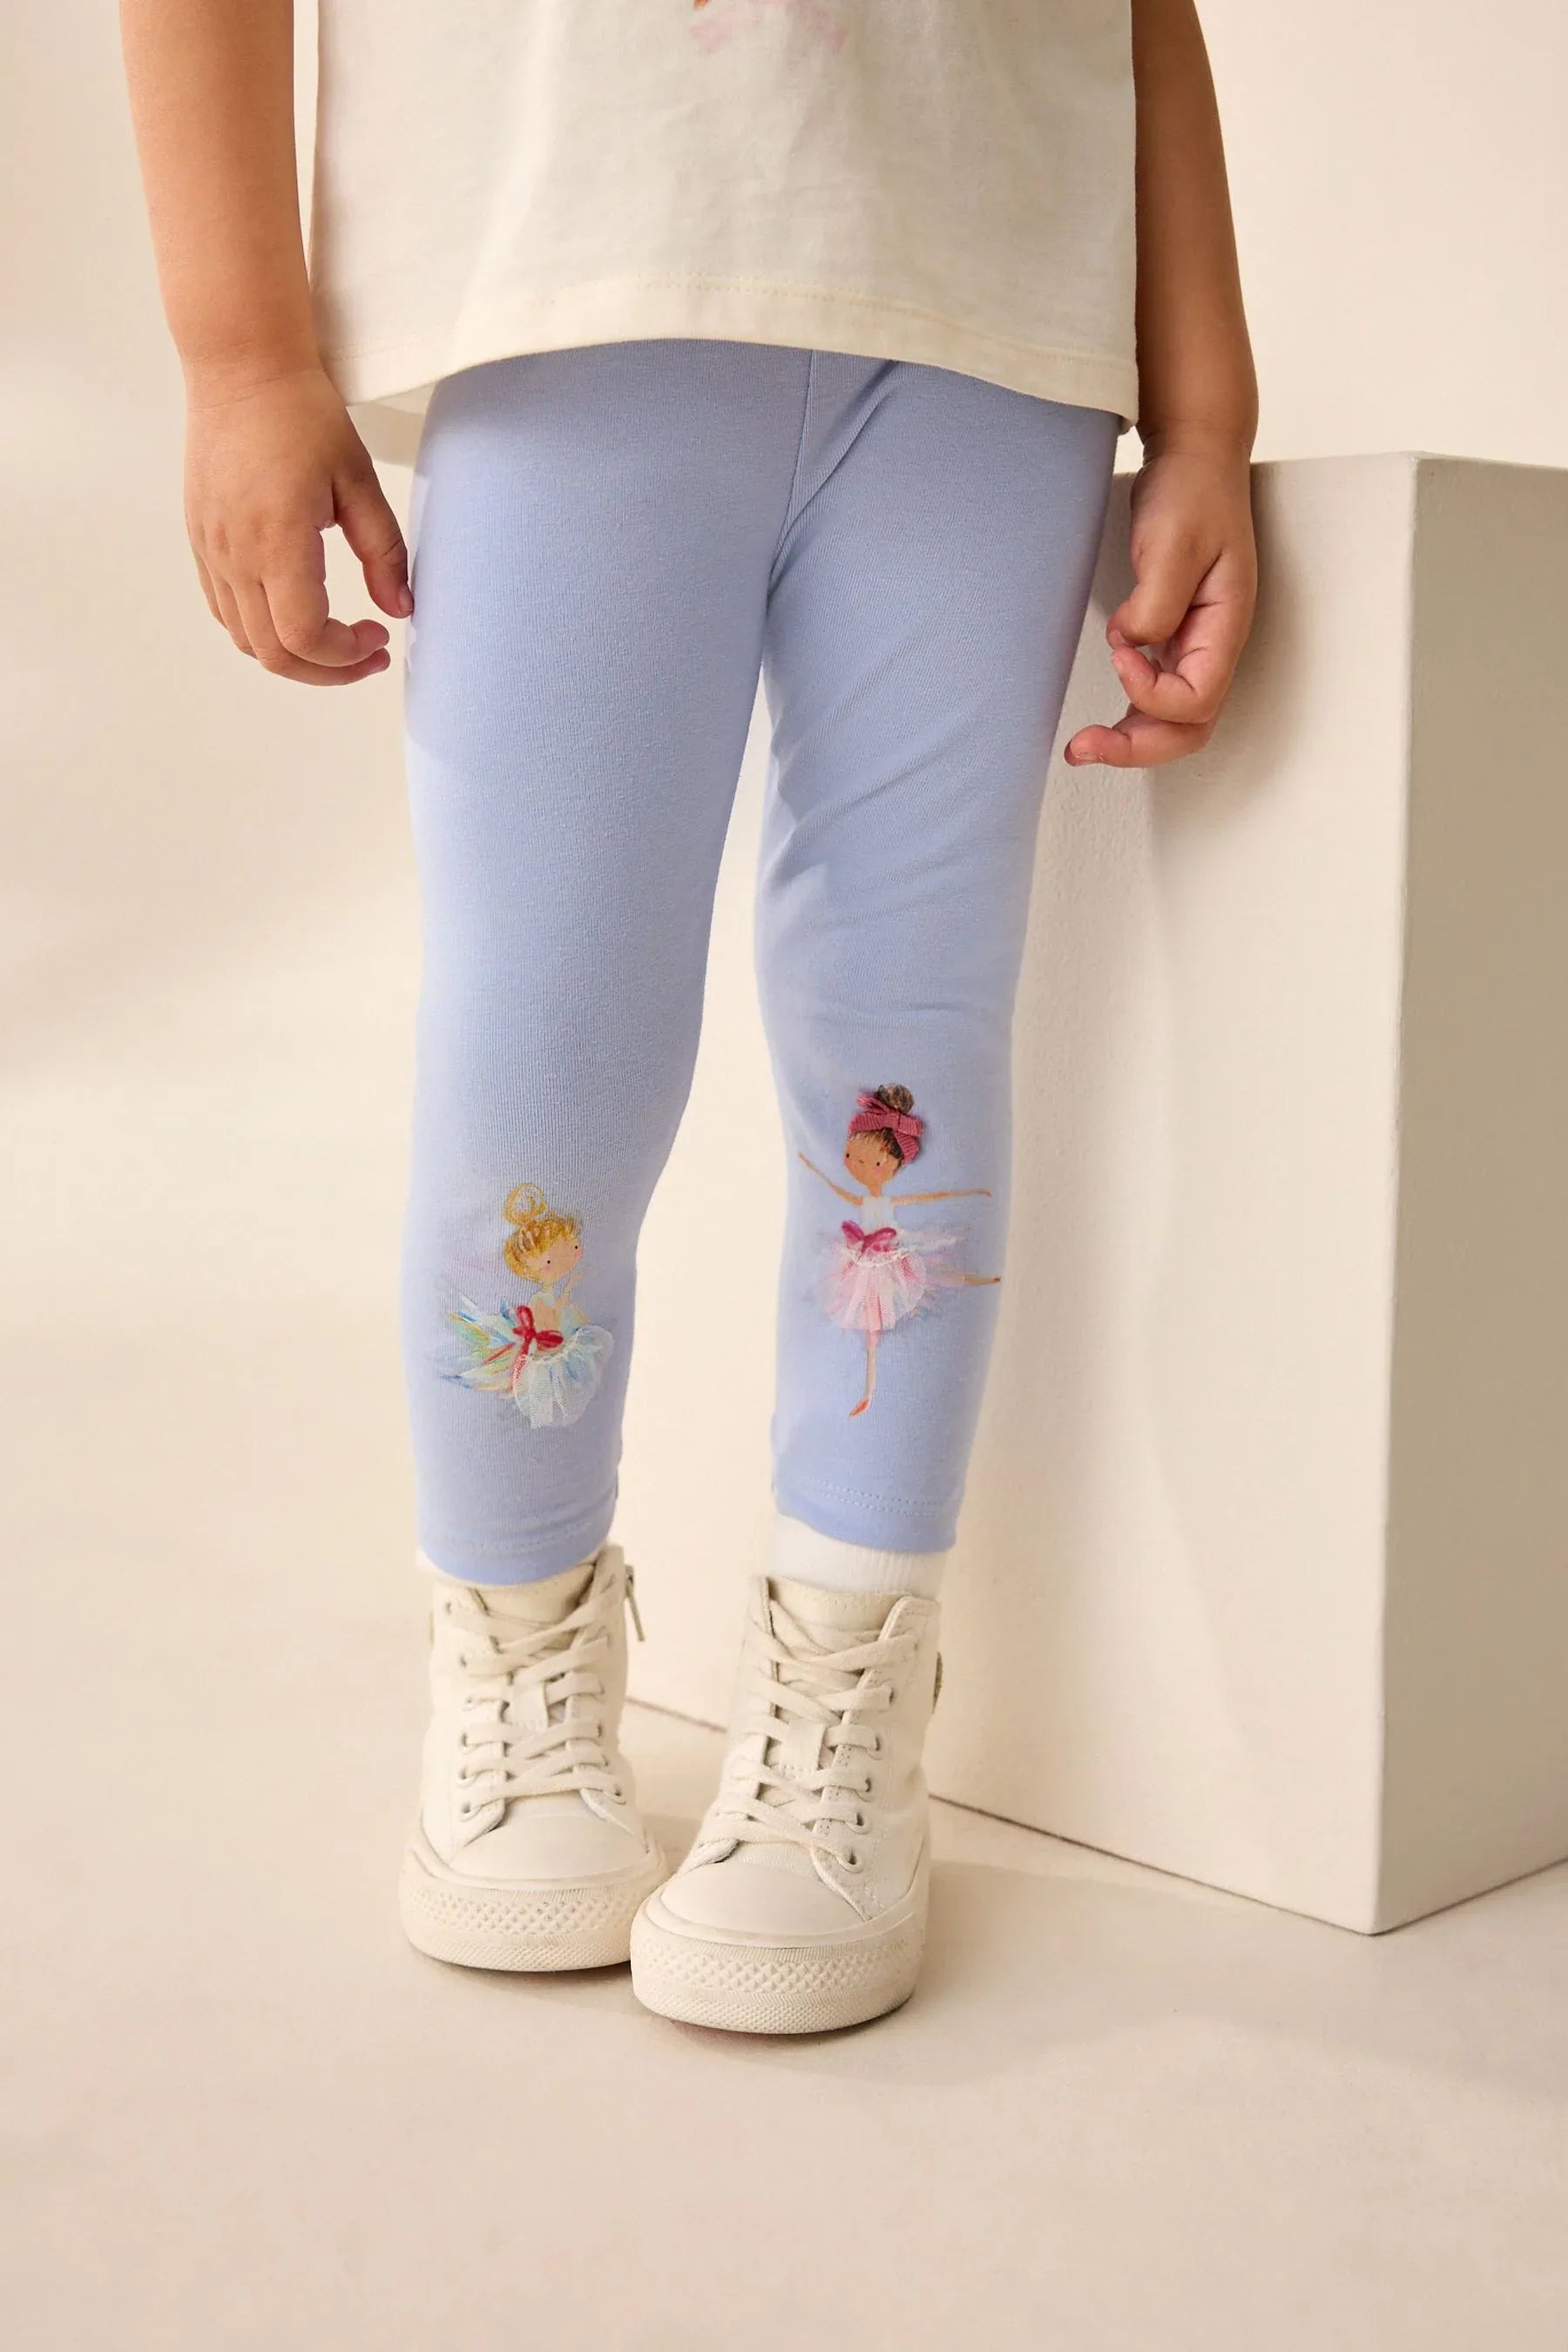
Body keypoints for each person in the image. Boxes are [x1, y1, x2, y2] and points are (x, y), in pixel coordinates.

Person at [120, 0, 1257, 2034]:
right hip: (576, 261)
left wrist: (1205, 414)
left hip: (995, 309)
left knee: (905, 1042)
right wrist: (239, 357)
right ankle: (517, 1650)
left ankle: (844, 1689)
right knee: (543, 1061)